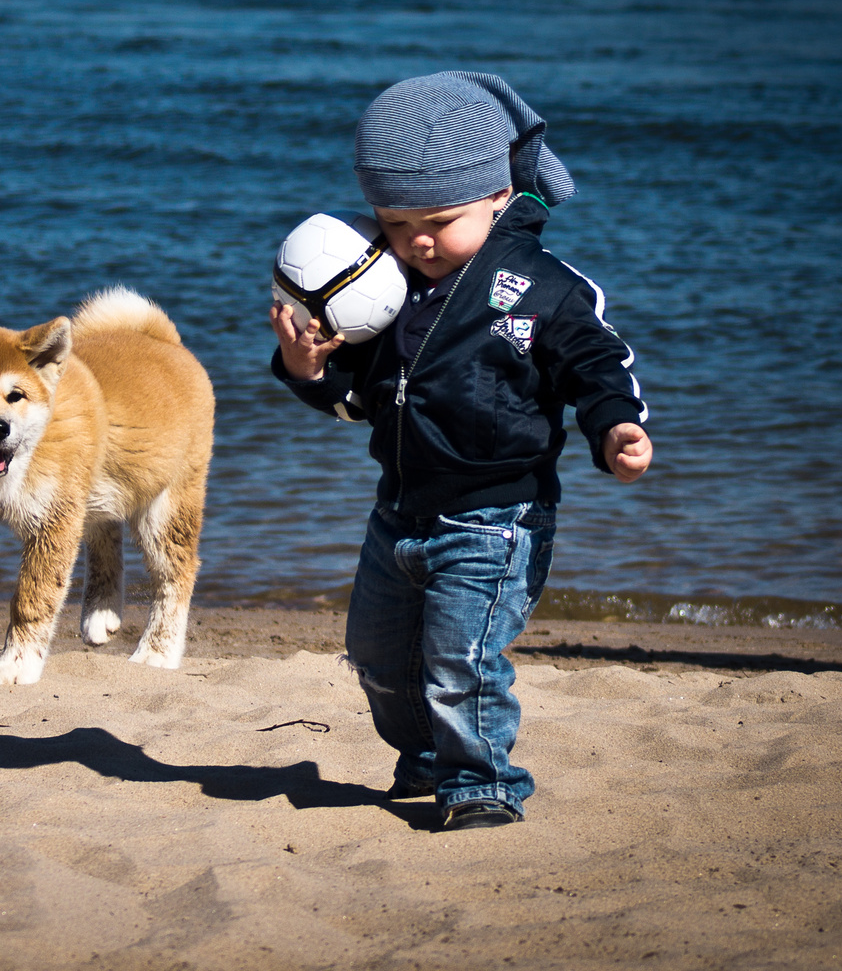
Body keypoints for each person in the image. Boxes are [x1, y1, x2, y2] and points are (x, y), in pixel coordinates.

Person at [269, 71, 651, 830]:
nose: (416, 240)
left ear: (499, 198)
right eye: (395, 219)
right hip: (399, 514)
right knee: (379, 663)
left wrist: (615, 429)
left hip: (495, 519)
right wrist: (307, 369)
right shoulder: (389, 290)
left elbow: (596, 363)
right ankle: (425, 758)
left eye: (439, 221)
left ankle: (481, 784)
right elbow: (364, 400)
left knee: (461, 664)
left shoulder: (543, 287)